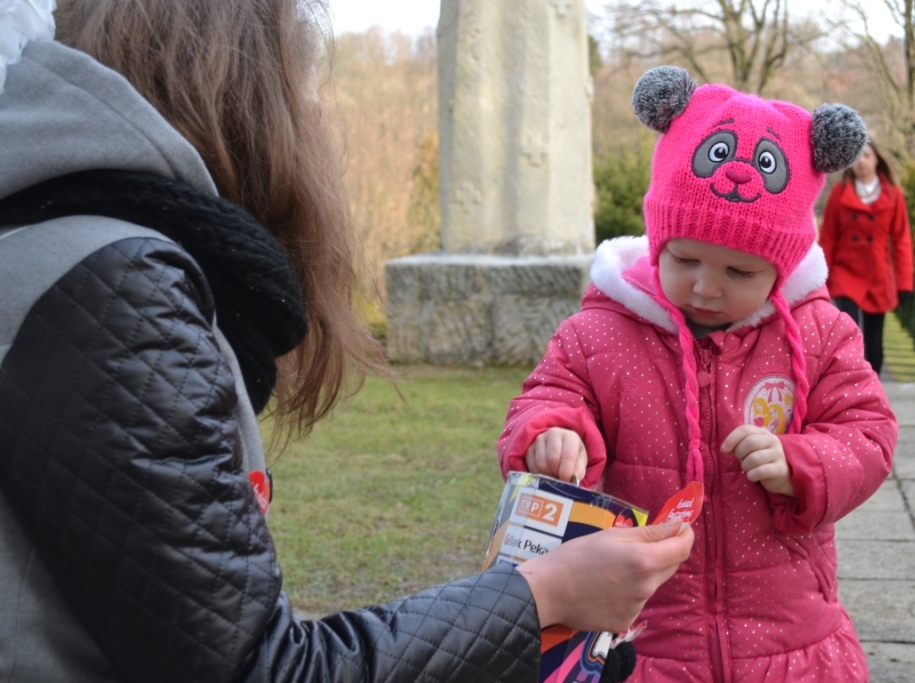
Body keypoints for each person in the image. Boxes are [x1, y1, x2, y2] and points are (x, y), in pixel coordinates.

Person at [0, 1, 694, 682]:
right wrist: (545, 595)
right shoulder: (112, 281)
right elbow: (258, 668)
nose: (319, 116)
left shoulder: (60, 249)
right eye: (307, 83)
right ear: (242, 93)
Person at [498, 65, 899, 681]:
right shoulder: (600, 332)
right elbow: (551, 393)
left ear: (783, 267)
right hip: (645, 639)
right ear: (658, 238)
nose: (707, 287)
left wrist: (805, 463)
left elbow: (868, 430)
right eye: (685, 259)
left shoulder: (819, 334)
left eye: (741, 274)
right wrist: (553, 431)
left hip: (791, 642)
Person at [819, 138, 914, 374]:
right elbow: (828, 238)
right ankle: (847, 385)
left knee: (874, 343)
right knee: (847, 333)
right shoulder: (840, 193)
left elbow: (901, 240)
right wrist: (821, 279)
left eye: (867, 156)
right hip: (845, 273)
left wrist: (904, 283)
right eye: (858, 157)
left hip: (878, 277)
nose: (862, 162)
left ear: (877, 160)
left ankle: (871, 389)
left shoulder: (892, 195)